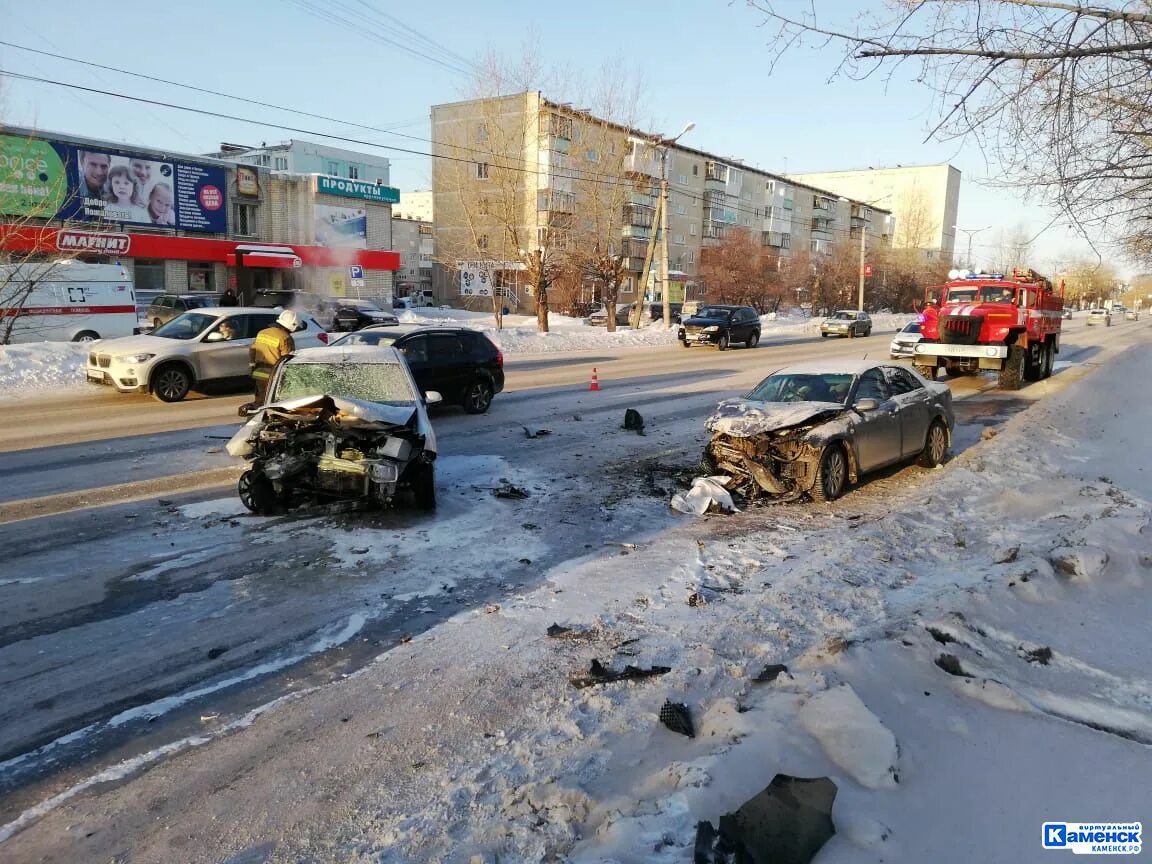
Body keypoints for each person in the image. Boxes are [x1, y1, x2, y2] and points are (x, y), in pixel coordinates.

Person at [249, 309, 302, 404]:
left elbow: (252, 350)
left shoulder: (262, 332)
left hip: (259, 372)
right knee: (275, 402)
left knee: (260, 400)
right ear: (292, 325)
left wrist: (252, 366)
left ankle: (256, 417)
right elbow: (287, 358)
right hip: (274, 374)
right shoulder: (285, 337)